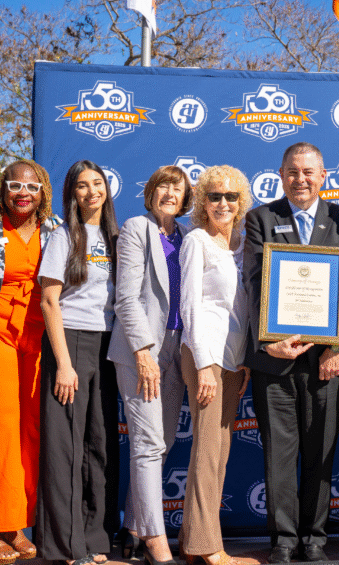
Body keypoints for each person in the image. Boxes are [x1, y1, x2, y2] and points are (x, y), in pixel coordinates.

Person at [243, 142, 339, 564]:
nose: (301, 179)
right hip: (275, 359)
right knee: (279, 450)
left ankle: (314, 536)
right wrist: (265, 342)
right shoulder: (260, 219)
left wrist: (337, 345)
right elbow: (255, 284)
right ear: (281, 175)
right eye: (293, 172)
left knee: (321, 448)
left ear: (323, 176)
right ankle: (284, 539)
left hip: (326, 362)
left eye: (309, 172)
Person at [0, 161, 60, 564]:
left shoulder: (55, 228)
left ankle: (16, 521)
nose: (23, 192)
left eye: (32, 186)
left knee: (30, 428)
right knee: (0, 421)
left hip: (37, 337)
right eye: (15, 184)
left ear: (43, 192)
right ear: (3, 188)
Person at [107, 166, 193, 565]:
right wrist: (143, 351)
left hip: (177, 351)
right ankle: (156, 541)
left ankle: (133, 527)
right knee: (147, 443)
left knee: (165, 442)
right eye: (163, 186)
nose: (170, 193)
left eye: (178, 188)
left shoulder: (187, 236)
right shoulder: (136, 229)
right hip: (141, 350)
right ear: (151, 192)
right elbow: (125, 297)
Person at [36, 160, 120, 565]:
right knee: (65, 447)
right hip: (68, 342)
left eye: (98, 183)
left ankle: (95, 538)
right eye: (83, 186)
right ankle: (65, 546)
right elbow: (50, 300)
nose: (92, 192)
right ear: (73, 193)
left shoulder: (117, 236)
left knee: (99, 446)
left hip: (108, 346)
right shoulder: (62, 236)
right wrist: (64, 365)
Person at [177, 165, 251, 565]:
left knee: (219, 450)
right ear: (203, 202)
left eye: (231, 197)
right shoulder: (197, 242)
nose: (223, 203)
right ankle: (208, 547)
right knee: (208, 450)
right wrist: (205, 365)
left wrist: (245, 366)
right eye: (215, 196)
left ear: (241, 203)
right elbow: (189, 307)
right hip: (205, 356)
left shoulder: (243, 245)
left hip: (235, 361)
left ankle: (193, 540)